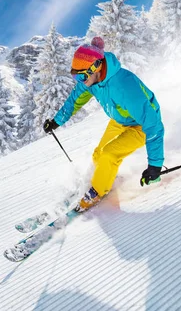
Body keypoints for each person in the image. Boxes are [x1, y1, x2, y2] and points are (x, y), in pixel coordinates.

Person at [43, 36, 165, 212]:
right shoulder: (91, 81)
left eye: (82, 76)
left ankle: (98, 191)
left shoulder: (124, 85)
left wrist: (155, 165)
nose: (80, 80)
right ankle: (102, 177)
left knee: (109, 154)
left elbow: (153, 125)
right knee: (98, 154)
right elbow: (74, 101)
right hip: (120, 121)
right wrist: (56, 121)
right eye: (75, 76)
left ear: (96, 67)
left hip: (141, 124)